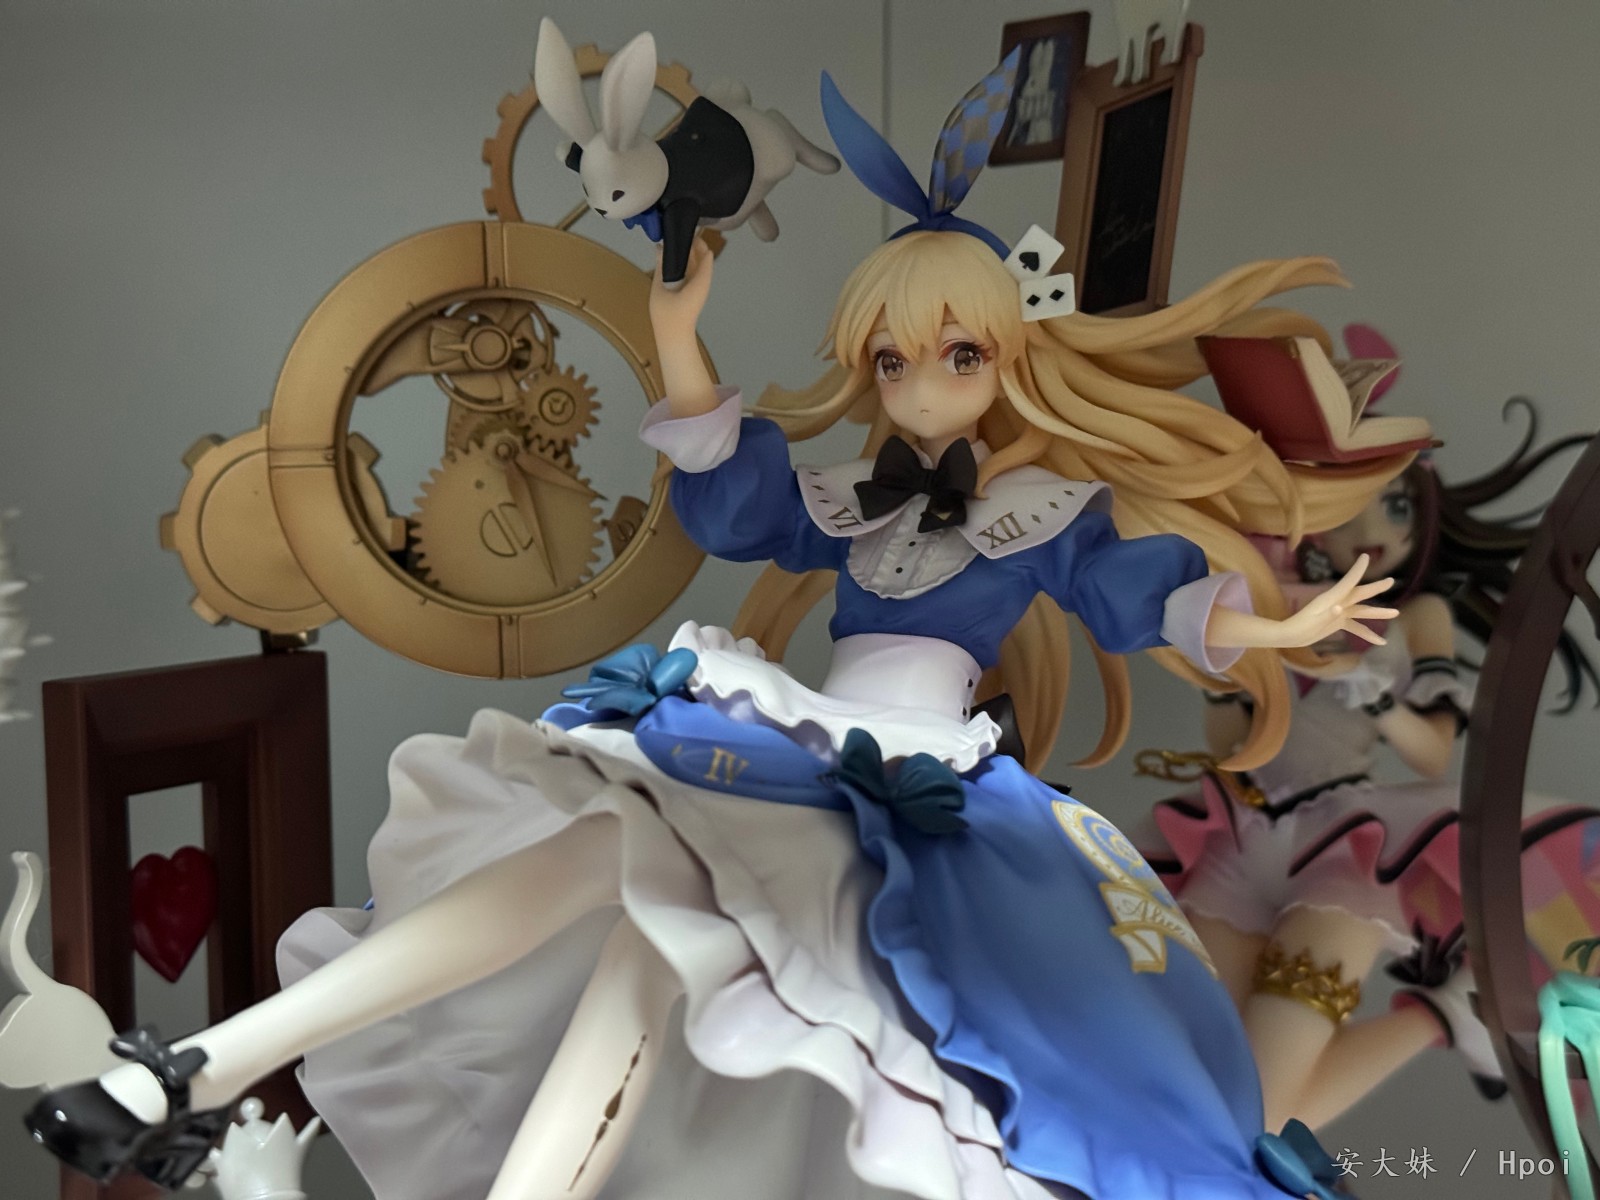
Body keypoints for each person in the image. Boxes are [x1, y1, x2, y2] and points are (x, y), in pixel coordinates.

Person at [26, 58, 1404, 1200]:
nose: (920, 388)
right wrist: (678, 335)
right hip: (793, 736)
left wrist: (1282, 622)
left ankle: (193, 1069)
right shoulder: (854, 495)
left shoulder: (1040, 513)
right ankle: (188, 1069)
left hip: (916, 786)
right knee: (606, 868)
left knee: (633, 894)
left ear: (1009, 362)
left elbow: (1133, 591)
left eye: (958, 356)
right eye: (891, 361)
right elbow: (742, 502)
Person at [1142, 346, 1599, 1132]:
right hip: (1240, 831)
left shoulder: (1414, 618)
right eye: (1347, 503)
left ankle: (1447, 1014)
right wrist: (1234, 660)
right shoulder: (1277, 601)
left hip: (1347, 847)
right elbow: (1229, 739)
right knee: (1195, 1076)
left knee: (1266, 1111)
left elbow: (1432, 752)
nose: (1372, 527)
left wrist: (1374, 690)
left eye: (1396, 505)